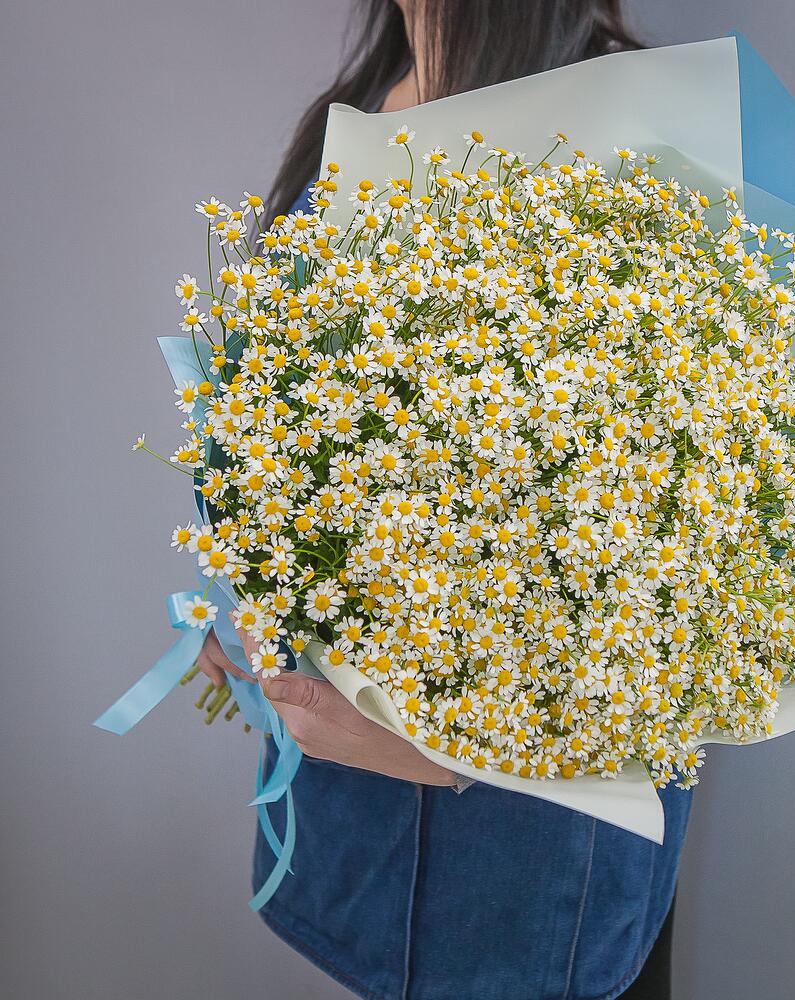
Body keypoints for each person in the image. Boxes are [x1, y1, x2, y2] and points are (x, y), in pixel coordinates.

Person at [196, 3, 692, 997]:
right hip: (351, 830)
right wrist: (239, 592)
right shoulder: (359, 106)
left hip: (528, 862)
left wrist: (461, 754)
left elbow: (692, 560)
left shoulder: (639, 131)